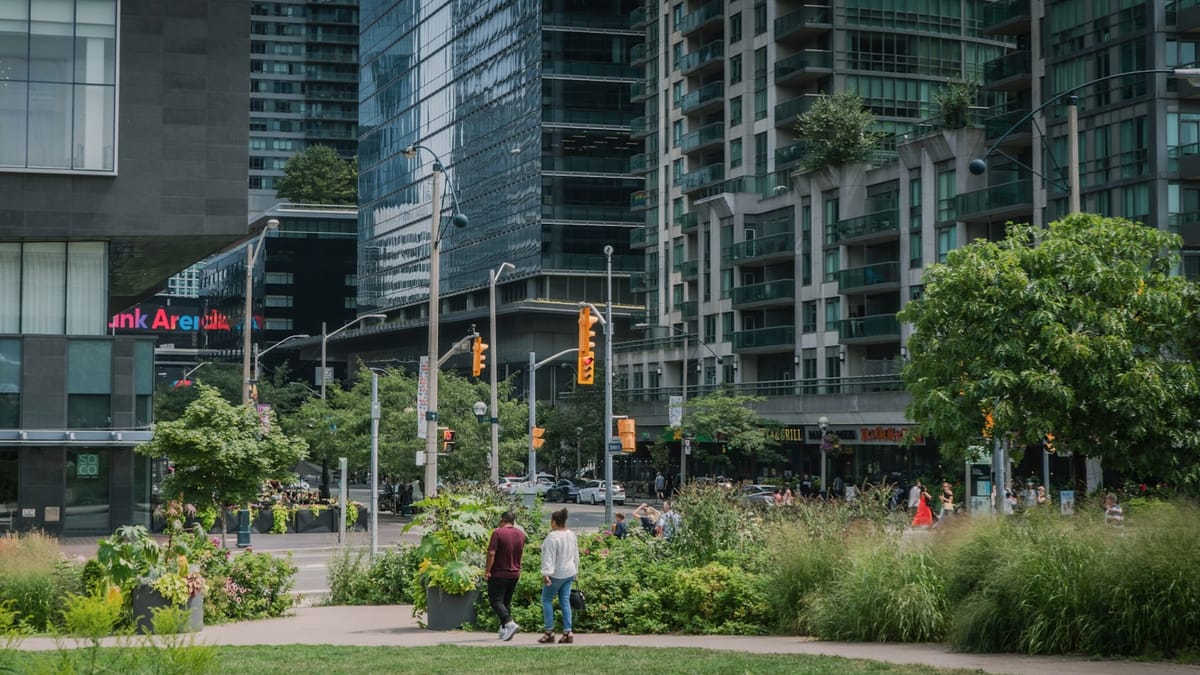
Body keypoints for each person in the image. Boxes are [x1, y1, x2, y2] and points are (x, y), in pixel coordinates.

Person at [484, 511, 525, 642]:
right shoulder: (520, 534)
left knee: (495, 600)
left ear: (502, 520)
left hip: (499, 572)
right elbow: (520, 552)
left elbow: (491, 552)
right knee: (506, 601)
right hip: (514, 573)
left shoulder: (498, 532)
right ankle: (504, 629)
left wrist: (487, 570)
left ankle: (509, 623)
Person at [539, 508, 579, 644]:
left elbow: (548, 557)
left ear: (554, 522)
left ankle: (549, 631)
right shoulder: (571, 535)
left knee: (546, 600)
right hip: (569, 572)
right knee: (565, 601)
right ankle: (568, 631)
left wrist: (546, 573)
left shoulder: (552, 537)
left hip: (556, 574)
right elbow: (576, 554)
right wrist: (576, 571)